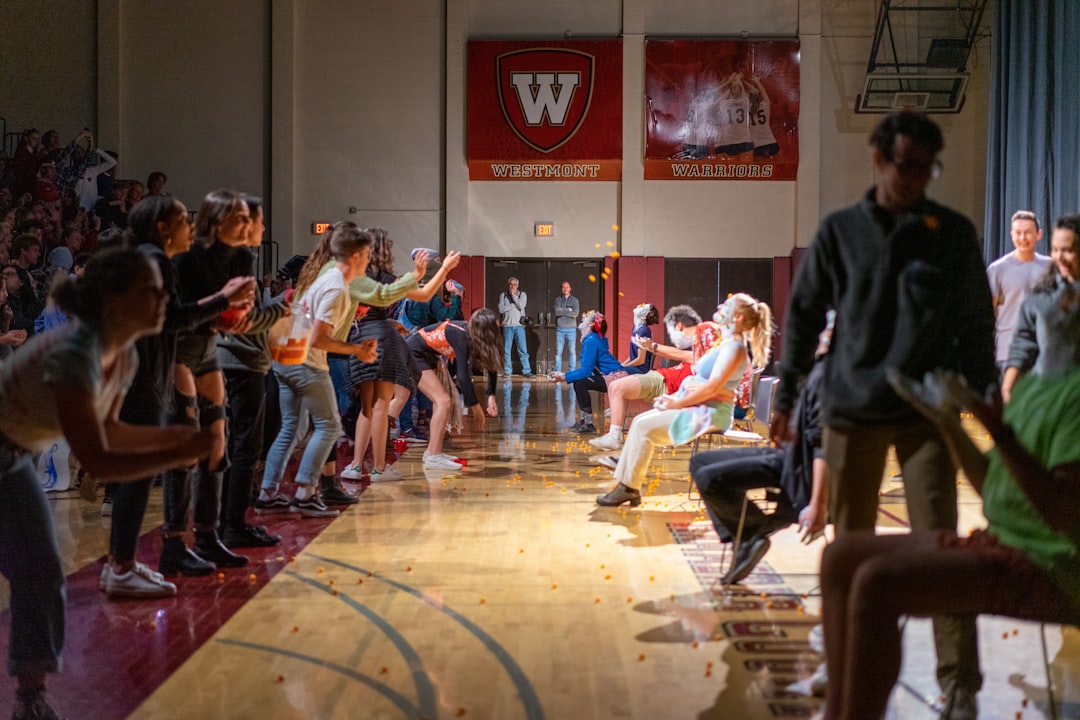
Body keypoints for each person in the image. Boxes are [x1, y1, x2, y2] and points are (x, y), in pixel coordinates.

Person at [774, 111, 996, 716]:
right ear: (878, 160)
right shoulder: (841, 231)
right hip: (852, 410)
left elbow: (977, 323)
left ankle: (960, 685)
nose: (918, 177)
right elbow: (800, 318)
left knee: (943, 549)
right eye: (907, 164)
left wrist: (987, 394)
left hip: (926, 413)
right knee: (851, 550)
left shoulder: (952, 233)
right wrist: (787, 395)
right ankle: (846, 666)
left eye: (929, 166)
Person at [0, 248, 215, 720]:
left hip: (12, 458)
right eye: (152, 290)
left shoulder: (124, 355)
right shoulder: (78, 350)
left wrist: (175, 438)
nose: (166, 298)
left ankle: (30, 698)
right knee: (37, 570)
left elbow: (110, 429)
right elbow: (97, 458)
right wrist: (179, 451)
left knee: (39, 572)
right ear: (116, 300)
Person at [818, 366, 1080, 720]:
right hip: (1006, 542)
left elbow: (1060, 514)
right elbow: (993, 490)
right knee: (839, 556)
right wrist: (946, 422)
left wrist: (999, 431)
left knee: (878, 581)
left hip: (1058, 568)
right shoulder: (1035, 384)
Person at [597, 293, 773, 507]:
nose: (720, 305)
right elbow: (708, 380)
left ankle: (628, 486)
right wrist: (681, 392)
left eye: (727, 305)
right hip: (699, 405)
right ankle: (626, 484)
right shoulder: (726, 344)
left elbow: (714, 387)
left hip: (710, 413)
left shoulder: (734, 348)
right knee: (641, 421)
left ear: (737, 318)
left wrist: (677, 403)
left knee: (643, 426)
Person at [689, 321, 831, 585]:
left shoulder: (829, 377)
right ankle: (747, 538)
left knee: (710, 479)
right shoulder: (812, 371)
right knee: (699, 462)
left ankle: (755, 532)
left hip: (800, 470)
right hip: (786, 454)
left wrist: (818, 503)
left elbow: (824, 446)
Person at [256, 223, 380, 516]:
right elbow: (319, 338)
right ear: (355, 255)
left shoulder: (318, 276)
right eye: (366, 255)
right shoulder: (336, 285)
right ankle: (306, 492)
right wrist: (358, 350)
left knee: (293, 428)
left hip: (285, 357)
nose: (368, 261)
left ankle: (268, 492)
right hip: (306, 360)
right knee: (329, 425)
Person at [165, 190, 257, 573]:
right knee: (187, 446)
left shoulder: (243, 256)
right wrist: (223, 302)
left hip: (207, 347)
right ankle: (173, 544)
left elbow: (230, 315)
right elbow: (174, 316)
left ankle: (207, 534)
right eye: (239, 218)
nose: (248, 224)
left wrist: (238, 317)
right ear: (217, 222)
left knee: (217, 444)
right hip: (176, 349)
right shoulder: (186, 259)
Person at [340, 228, 461, 482]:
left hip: (359, 339)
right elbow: (425, 293)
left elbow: (357, 312)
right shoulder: (384, 277)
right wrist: (445, 269)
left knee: (367, 406)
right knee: (382, 405)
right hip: (382, 342)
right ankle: (379, 469)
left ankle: (354, 465)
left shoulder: (353, 275)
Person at [216, 195, 290, 547]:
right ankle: (232, 524)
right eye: (259, 222)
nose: (263, 228)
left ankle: (226, 520)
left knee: (240, 443)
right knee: (245, 445)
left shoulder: (229, 258)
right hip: (240, 362)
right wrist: (282, 309)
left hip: (236, 360)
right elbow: (242, 321)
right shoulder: (238, 260)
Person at [589, 305, 717, 451]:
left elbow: (679, 354)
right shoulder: (701, 351)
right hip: (660, 375)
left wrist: (652, 346)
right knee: (614, 386)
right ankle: (614, 435)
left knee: (617, 387)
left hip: (664, 383)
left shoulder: (710, 360)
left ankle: (615, 437)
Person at [405, 308, 501, 469]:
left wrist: (491, 396)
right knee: (443, 401)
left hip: (428, 356)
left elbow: (491, 364)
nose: (497, 332)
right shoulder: (461, 335)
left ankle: (432, 452)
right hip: (414, 352)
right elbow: (463, 376)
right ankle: (433, 457)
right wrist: (476, 408)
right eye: (494, 328)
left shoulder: (473, 337)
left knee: (440, 403)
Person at [1001, 213, 1080, 402]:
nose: (1059, 257)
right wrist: (1006, 389)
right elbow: (1023, 344)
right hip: (1045, 399)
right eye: (1055, 250)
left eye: (1067, 250)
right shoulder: (1041, 295)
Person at [986, 210, 1052, 376]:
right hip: (1008, 351)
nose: (1023, 238)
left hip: (1043, 351)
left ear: (1039, 234)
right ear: (1011, 235)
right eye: (1018, 233)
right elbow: (987, 313)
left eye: (1028, 233)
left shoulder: (1051, 267)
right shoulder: (998, 269)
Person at [552, 310, 624, 434]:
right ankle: (584, 421)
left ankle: (588, 423)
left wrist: (564, 377)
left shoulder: (591, 340)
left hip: (614, 377)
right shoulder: (594, 338)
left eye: (585, 317)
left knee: (580, 382)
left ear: (591, 324)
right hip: (615, 375)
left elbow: (586, 371)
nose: (582, 318)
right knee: (579, 382)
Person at [498, 276, 532, 377]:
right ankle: (507, 371)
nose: (513, 286)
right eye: (511, 285)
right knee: (506, 350)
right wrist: (511, 305)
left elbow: (521, 306)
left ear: (518, 286)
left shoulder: (522, 294)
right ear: (508, 285)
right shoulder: (503, 295)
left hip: (519, 326)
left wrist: (514, 297)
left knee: (523, 349)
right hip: (507, 325)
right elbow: (501, 309)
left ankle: (526, 370)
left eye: (515, 285)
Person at [620, 302, 658, 374]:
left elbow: (641, 360)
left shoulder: (643, 331)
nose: (638, 306)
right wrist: (622, 365)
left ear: (644, 317)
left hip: (641, 369)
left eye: (642, 307)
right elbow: (633, 356)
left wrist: (624, 368)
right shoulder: (635, 328)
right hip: (635, 367)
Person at [553, 280, 579, 373]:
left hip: (571, 329)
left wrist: (562, 311)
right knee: (558, 352)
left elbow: (575, 313)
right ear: (561, 289)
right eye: (563, 287)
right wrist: (568, 310)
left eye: (567, 287)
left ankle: (572, 371)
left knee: (572, 351)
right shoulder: (557, 300)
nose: (565, 289)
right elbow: (557, 312)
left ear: (570, 288)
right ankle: (558, 371)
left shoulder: (575, 300)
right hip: (560, 329)